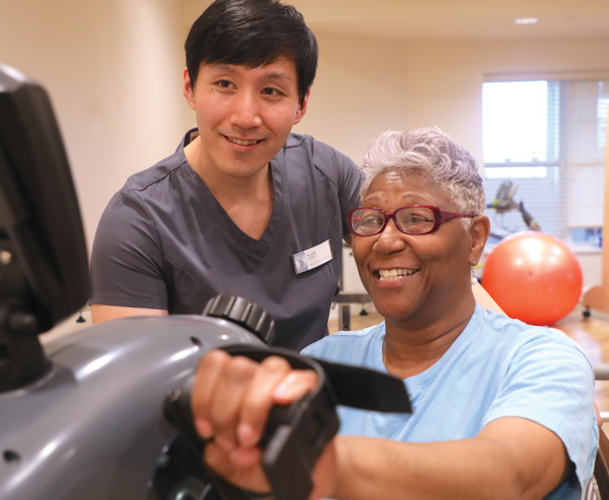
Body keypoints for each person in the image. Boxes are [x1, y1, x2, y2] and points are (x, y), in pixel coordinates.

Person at [189, 127, 598, 499]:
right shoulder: (321, 363)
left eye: (416, 219)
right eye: (370, 220)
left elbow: (509, 475)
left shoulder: (543, 359)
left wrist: (326, 463)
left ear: (475, 240)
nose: (384, 242)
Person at [89, 0, 363, 351]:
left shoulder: (326, 173)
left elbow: (401, 253)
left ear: (301, 104)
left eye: (270, 91)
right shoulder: (136, 220)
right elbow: (134, 380)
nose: (246, 117)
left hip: (315, 397)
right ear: (190, 88)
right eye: (224, 83)